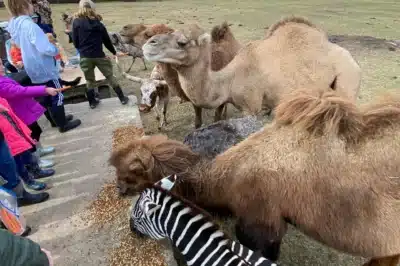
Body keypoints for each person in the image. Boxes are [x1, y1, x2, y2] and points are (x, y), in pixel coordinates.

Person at [5, 0, 82, 133]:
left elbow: (17, 43)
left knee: (44, 94)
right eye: (29, 3)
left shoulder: (14, 25)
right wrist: (55, 49)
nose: (32, 6)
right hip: (44, 67)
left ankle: (55, 120)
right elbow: (44, 48)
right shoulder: (30, 25)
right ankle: (63, 124)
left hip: (32, 67)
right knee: (57, 95)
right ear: (23, 5)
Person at [0, 59, 58, 169]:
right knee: (31, 135)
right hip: (18, 113)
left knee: (36, 130)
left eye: (1, 64)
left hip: (23, 109)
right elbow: (20, 91)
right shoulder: (1, 83)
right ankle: (36, 161)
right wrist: (44, 90)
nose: (3, 67)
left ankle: (39, 150)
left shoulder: (2, 78)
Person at [73, 0, 129, 109]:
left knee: (89, 80)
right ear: (93, 8)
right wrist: (114, 52)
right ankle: (122, 98)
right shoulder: (99, 23)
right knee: (110, 76)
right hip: (99, 55)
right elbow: (106, 41)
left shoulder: (76, 22)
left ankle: (92, 102)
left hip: (85, 57)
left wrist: (83, 49)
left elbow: (75, 42)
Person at [0, 97, 53, 191]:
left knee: (26, 154)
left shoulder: (1, 99)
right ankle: (28, 181)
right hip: (5, 138)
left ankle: (35, 171)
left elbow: (13, 118)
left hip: (14, 133)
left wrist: (25, 132)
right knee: (16, 162)